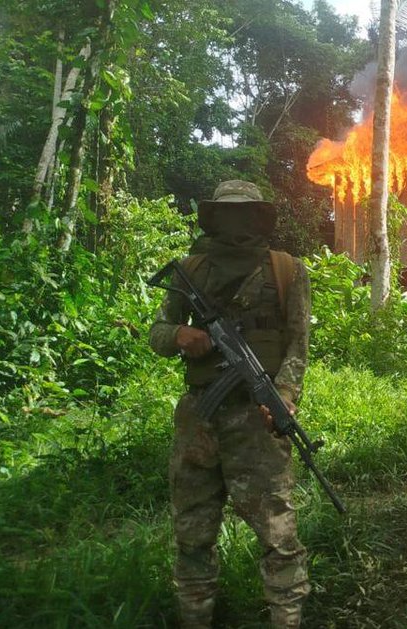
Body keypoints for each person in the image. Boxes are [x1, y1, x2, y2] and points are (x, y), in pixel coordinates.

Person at [149, 181, 312, 628]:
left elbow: (299, 344)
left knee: (279, 536)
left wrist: (283, 396)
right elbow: (159, 332)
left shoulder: (286, 270)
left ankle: (287, 619)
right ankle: (195, 617)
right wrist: (181, 336)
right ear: (214, 218)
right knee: (193, 533)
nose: (237, 223)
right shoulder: (190, 270)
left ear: (259, 217)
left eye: (246, 214)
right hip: (199, 421)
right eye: (229, 215)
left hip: (259, 424)